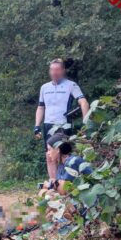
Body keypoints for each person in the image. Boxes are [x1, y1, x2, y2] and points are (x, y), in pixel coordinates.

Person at [34, 59, 90, 187]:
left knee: (63, 156)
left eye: (57, 70)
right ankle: (54, 185)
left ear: (63, 70)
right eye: (52, 70)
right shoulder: (44, 87)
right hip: (48, 125)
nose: (54, 72)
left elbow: (84, 102)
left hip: (63, 125)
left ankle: (66, 185)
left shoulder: (71, 85)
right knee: (49, 156)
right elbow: (41, 107)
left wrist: (86, 124)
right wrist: (36, 126)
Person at [39, 134, 93, 223]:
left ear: (58, 149)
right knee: (47, 195)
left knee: (50, 196)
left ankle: (69, 220)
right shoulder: (61, 164)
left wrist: (50, 185)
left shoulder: (72, 161)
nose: (48, 153)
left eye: (49, 149)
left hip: (89, 203)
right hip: (80, 200)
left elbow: (63, 190)